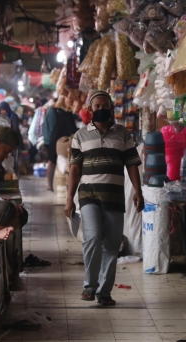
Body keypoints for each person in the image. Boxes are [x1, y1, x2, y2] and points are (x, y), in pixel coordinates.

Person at [64, 90, 144, 306]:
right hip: (89, 196)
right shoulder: (80, 136)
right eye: (96, 106)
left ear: (112, 108)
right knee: (92, 236)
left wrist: (138, 191)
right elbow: (74, 170)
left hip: (115, 197)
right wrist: (69, 198)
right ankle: (89, 287)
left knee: (111, 244)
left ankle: (104, 292)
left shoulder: (122, 134)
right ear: (90, 110)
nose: (100, 109)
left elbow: (132, 165)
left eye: (104, 106)